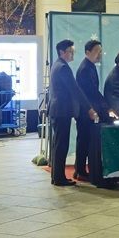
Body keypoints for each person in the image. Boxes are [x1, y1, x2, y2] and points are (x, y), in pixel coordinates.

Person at [48, 39, 94, 187]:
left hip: (58, 110)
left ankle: (57, 177)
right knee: (61, 145)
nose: (73, 54)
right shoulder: (63, 68)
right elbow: (75, 90)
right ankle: (59, 178)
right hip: (62, 111)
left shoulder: (57, 65)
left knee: (58, 145)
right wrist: (89, 108)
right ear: (62, 52)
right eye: (70, 51)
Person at [75, 40, 112, 182]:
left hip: (89, 110)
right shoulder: (85, 69)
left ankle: (80, 169)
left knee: (85, 140)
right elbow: (90, 92)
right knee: (83, 141)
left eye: (101, 51)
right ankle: (80, 171)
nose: (100, 54)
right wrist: (105, 106)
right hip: (86, 111)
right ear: (87, 52)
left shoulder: (90, 66)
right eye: (97, 51)